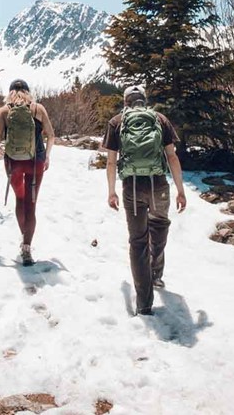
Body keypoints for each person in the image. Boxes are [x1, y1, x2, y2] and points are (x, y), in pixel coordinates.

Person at [102, 84, 187, 316]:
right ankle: (156, 274)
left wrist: (111, 191)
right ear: (144, 101)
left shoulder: (117, 122)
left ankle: (144, 303)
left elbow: (111, 161)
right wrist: (180, 190)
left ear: (126, 101)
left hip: (132, 187)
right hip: (158, 183)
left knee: (138, 242)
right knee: (159, 227)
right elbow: (172, 156)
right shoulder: (160, 119)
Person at [0, 79, 55, 266]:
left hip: (13, 163)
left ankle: (23, 237)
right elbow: (51, 135)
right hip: (36, 162)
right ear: (27, 91)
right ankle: (27, 246)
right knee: (31, 204)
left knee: (20, 200)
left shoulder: (4, 111)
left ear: (10, 92)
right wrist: (47, 155)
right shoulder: (38, 109)